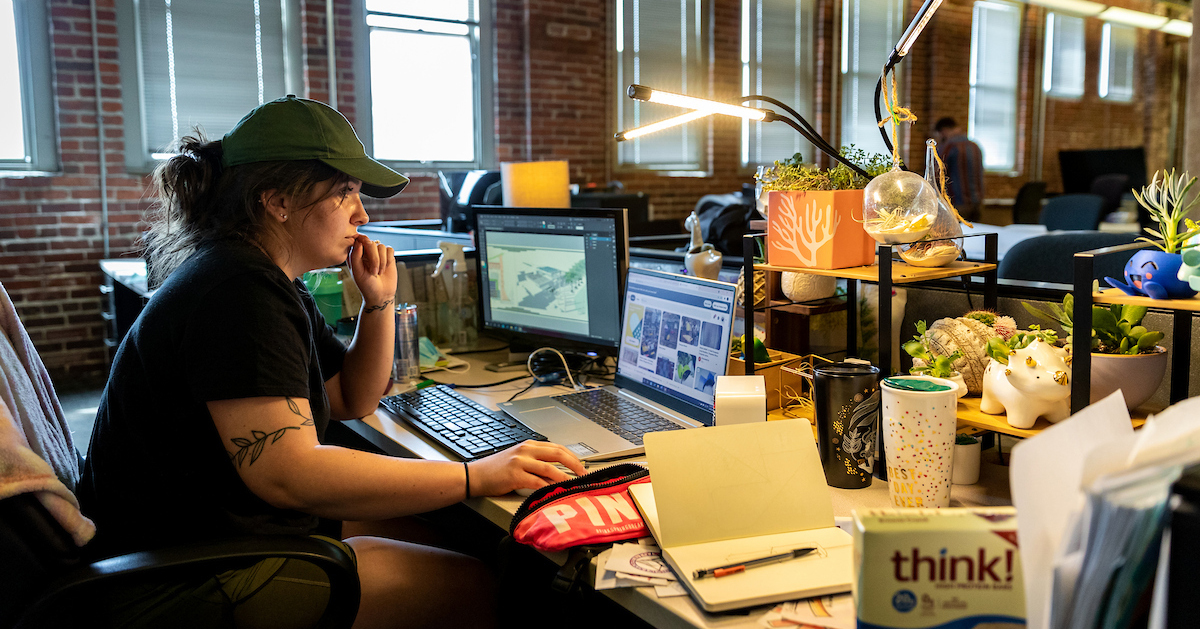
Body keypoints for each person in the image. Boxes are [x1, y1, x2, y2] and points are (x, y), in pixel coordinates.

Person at [77, 95, 585, 629]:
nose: (362, 214)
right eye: (345, 192)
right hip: (174, 581)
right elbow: (289, 475)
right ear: (277, 201)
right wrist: (472, 475)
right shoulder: (236, 292)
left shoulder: (269, 280)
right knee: (476, 583)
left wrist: (379, 302)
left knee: (445, 533)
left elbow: (351, 397)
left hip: (218, 534)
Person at [933, 117, 986, 222]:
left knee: (956, 236)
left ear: (943, 131)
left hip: (957, 202)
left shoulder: (948, 147)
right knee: (974, 234)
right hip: (978, 202)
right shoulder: (975, 146)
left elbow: (937, 175)